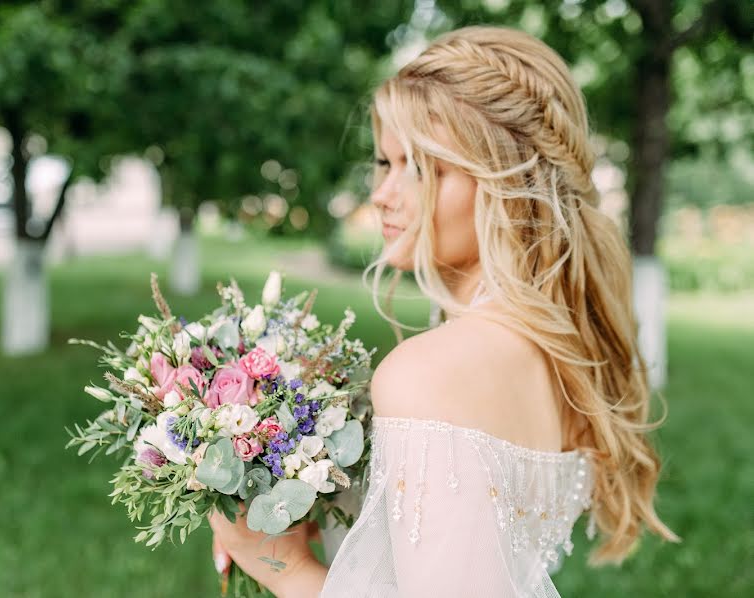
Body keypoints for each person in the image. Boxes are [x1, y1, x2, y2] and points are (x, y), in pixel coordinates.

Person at [209, 24, 680, 597]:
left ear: (508, 185)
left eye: (423, 167)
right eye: (384, 163)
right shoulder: (561, 350)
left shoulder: (430, 372)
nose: (383, 194)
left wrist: (281, 565)